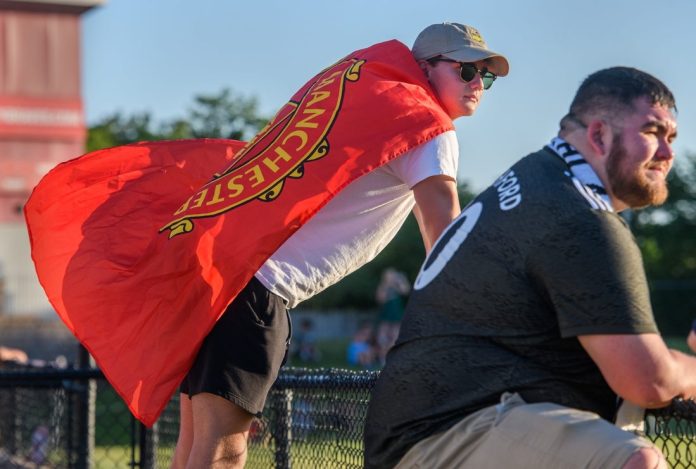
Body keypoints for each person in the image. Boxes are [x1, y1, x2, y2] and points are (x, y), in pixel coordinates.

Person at [172, 22, 509, 468]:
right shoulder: (430, 128)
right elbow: (444, 235)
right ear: (425, 68)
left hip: (223, 278)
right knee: (222, 453)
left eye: (486, 76)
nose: (478, 83)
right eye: (466, 70)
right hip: (257, 291)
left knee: (194, 447)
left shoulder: (382, 115)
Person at [364, 66, 691, 469]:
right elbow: (646, 379)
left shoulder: (534, 181)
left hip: (426, 436)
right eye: (653, 132)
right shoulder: (578, 216)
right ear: (599, 135)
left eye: (672, 138)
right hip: (444, 439)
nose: (668, 154)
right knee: (633, 460)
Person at [375, 268, 411, 365]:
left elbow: (405, 291)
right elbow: (380, 299)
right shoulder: (383, 286)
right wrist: (386, 285)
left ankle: (393, 359)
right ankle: (383, 359)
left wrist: (400, 281)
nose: (391, 278)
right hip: (385, 316)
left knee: (395, 338)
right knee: (382, 339)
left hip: (397, 315)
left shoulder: (398, 285)